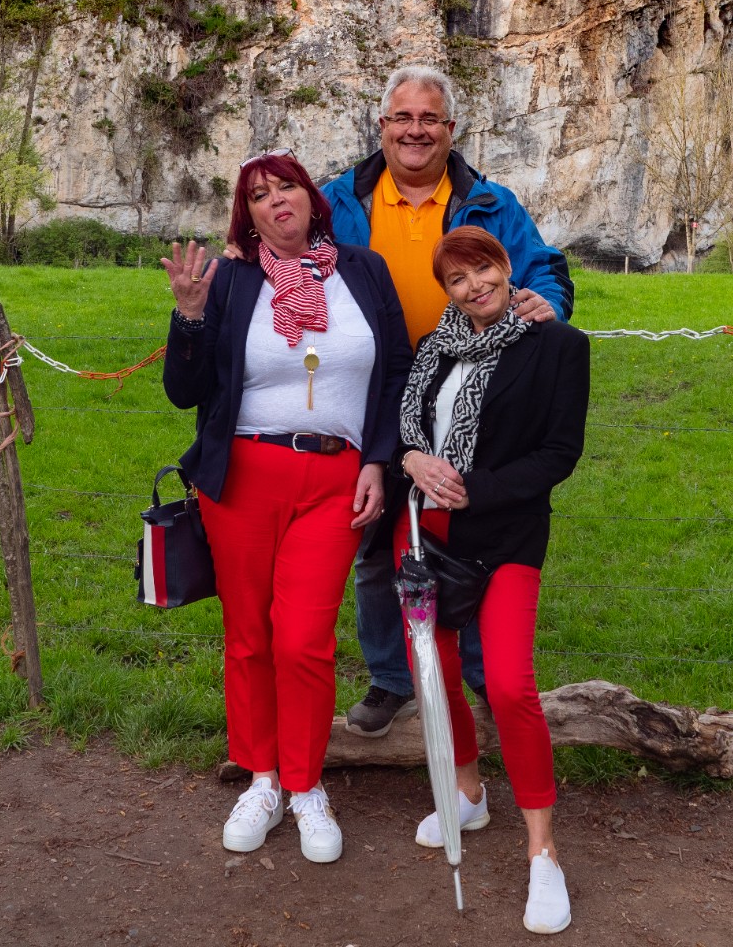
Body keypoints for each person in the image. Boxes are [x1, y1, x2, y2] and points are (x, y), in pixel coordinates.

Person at [160, 152, 411, 865]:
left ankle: (306, 785)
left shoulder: (364, 271)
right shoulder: (232, 279)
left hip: (335, 480)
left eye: (286, 187)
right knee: (249, 638)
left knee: (303, 639)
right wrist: (189, 316)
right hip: (242, 476)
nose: (276, 200)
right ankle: (262, 780)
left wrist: (378, 460)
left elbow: (396, 369)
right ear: (248, 216)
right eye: (259, 194)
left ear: (310, 197)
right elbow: (183, 391)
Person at [320, 64, 574, 736]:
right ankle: (392, 678)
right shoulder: (337, 201)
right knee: (379, 540)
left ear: (450, 129)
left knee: (471, 528)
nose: (415, 130)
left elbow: (542, 265)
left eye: (428, 118)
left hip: (469, 383)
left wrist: (547, 301)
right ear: (382, 125)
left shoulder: (490, 203)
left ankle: (482, 677)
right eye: (402, 117)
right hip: (372, 388)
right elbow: (288, 257)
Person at [386, 226, 586, 934]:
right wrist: (410, 461)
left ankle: (543, 852)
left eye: (483, 269)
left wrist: (476, 490)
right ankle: (468, 792)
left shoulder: (557, 345)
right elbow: (407, 430)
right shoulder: (431, 349)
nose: (474, 286)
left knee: (506, 682)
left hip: (505, 536)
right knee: (435, 674)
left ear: (505, 266)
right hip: (424, 534)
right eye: (457, 279)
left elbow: (559, 454)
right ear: (446, 291)